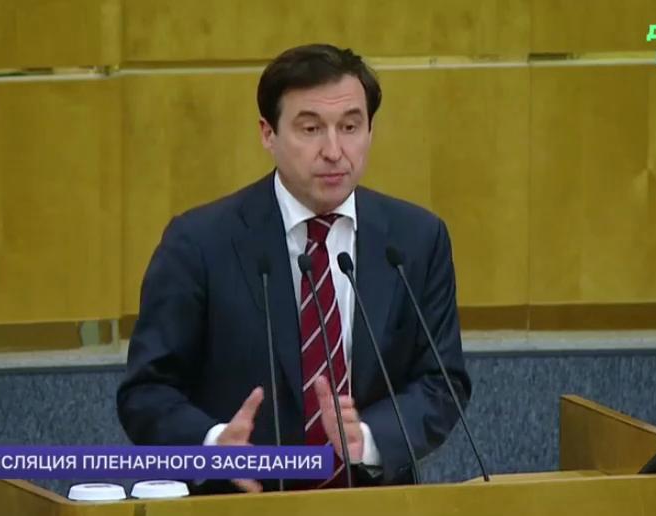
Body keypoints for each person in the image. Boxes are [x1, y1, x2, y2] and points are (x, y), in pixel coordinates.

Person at [117, 43, 471, 494]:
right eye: (310, 128)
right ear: (268, 134)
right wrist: (210, 444)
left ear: (370, 130)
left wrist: (370, 438)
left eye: (350, 127)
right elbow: (146, 390)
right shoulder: (199, 243)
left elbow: (441, 381)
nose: (334, 151)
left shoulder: (415, 240)